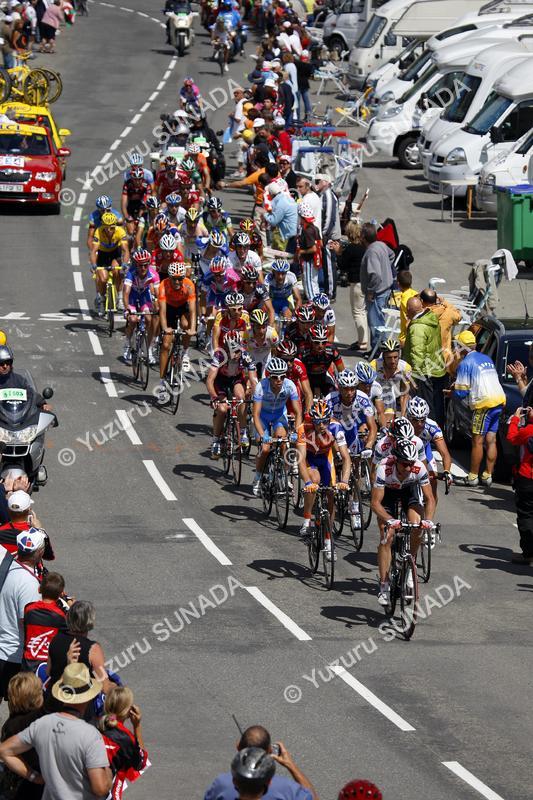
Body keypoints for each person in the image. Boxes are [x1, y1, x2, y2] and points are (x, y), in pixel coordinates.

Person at [0, 663, 112, 799]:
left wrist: (36, 777)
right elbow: (100, 789)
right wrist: (108, 772)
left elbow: (4, 750)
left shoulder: (39, 724)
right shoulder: (91, 735)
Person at [371, 437, 435, 607]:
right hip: (388, 496)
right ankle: (384, 586)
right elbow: (375, 503)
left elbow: (430, 499)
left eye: (410, 463)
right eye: (404, 464)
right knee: (387, 536)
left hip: (409, 492)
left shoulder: (418, 467)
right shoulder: (384, 467)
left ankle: (410, 566)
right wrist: (390, 520)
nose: (408, 467)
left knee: (417, 526)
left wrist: (428, 521)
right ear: (396, 460)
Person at [452, 330, 506, 488]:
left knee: (477, 441)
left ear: (462, 347)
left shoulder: (465, 363)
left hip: (484, 405)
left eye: (457, 346)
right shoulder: (486, 358)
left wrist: (452, 393)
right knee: (491, 440)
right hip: (498, 401)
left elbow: (461, 392)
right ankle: (488, 476)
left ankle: (473, 477)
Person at [204, 725, 317, 800]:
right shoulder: (287, 790)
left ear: (234, 781)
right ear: (268, 783)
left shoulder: (221, 784)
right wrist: (291, 765)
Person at [0, 531, 43, 701]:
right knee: (20, 709)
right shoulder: (29, 583)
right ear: (39, 552)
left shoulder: (9, 568)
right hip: (14, 656)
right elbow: (28, 622)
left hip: (4, 650)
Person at [252, 357, 303, 496]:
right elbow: (255, 414)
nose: (279, 380)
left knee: (283, 442)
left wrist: (296, 431)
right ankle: (257, 477)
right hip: (262, 417)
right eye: (275, 377)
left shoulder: (290, 385)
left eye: (282, 376)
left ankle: (283, 475)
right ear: (269, 376)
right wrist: (263, 435)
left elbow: (298, 412)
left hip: (279, 416)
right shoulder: (261, 387)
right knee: (265, 448)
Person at [47, 600, 113, 701]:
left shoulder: (55, 639)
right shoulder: (93, 649)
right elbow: (104, 687)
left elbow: (48, 672)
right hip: (80, 703)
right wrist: (117, 687)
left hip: (54, 698)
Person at [402, 295, 447, 428]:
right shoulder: (431, 318)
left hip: (425, 372)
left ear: (410, 310)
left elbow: (417, 353)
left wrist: (415, 377)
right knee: (437, 405)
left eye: (406, 309)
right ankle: (439, 433)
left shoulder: (417, 328)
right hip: (437, 368)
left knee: (426, 407)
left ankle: (430, 435)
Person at [97, 686, 148, 800]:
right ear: (129, 710)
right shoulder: (125, 739)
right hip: (110, 795)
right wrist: (137, 726)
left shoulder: (94, 726)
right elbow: (140, 763)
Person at [0, 671, 45, 800]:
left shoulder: (12, 722)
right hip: (27, 785)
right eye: (40, 691)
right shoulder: (26, 722)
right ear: (33, 698)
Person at [157, 261, 196, 400]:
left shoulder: (189, 285)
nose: (178, 282)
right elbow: (162, 311)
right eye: (175, 279)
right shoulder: (163, 285)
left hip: (183, 307)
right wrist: (165, 328)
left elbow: (192, 310)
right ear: (169, 277)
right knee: (166, 344)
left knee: (186, 325)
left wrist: (192, 329)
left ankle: (185, 353)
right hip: (169, 309)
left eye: (180, 278)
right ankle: (162, 383)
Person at [328, 222, 368, 352]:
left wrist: (338, 252)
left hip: (356, 283)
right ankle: (364, 339)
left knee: (357, 312)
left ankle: (362, 342)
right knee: (362, 312)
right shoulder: (363, 247)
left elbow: (343, 266)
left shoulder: (351, 248)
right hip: (364, 282)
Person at [22, 572, 68, 672]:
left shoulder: (28, 609)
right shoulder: (61, 615)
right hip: (48, 667)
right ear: (61, 593)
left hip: (28, 665)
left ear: (39, 590)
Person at [360, 223, 394, 349]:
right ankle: (381, 349)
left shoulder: (372, 252)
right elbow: (391, 255)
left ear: (363, 237)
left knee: (376, 324)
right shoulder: (381, 245)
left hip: (377, 294)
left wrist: (370, 291)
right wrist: (387, 271)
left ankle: (378, 351)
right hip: (385, 290)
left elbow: (375, 275)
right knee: (380, 321)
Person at [419, 287, 461, 370]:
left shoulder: (420, 316)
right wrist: (445, 302)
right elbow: (458, 315)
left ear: (422, 301)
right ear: (435, 300)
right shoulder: (447, 313)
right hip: (444, 360)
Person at [0, 346, 51, 411]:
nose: (5, 366)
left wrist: (43, 404)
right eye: (1, 363)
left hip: (17, 416)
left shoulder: (19, 380)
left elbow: (30, 394)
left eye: (8, 362)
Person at [315, 174, 341, 301]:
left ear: (325, 182)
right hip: (327, 236)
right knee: (327, 265)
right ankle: (328, 291)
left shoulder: (328, 196)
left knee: (329, 266)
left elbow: (329, 218)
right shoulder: (324, 195)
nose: (315, 184)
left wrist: (324, 235)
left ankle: (330, 293)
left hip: (329, 238)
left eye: (317, 181)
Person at [370, 338, 412, 416]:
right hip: (374, 394)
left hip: (389, 395)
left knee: (390, 420)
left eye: (395, 357)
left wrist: (402, 416)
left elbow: (405, 394)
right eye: (389, 358)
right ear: (383, 357)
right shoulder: (374, 366)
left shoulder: (406, 368)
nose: (393, 361)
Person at [296, 203, 322, 301]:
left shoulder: (308, 231)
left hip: (309, 261)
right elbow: (320, 243)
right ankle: (318, 300)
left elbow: (314, 248)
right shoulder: (315, 228)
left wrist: (301, 251)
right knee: (314, 282)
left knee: (308, 282)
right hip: (315, 260)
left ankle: (312, 302)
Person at [262, 182, 298, 253]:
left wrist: (264, 214)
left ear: (271, 193)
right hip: (292, 232)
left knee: (280, 257)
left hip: (284, 234)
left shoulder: (281, 203)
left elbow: (273, 221)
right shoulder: (288, 199)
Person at [395, 270, 418, 345]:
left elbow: (409, 320)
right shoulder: (414, 293)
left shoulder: (405, 301)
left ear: (398, 283)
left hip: (407, 337)